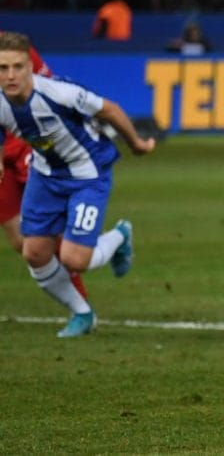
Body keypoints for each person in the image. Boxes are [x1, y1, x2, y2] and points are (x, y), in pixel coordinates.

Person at [0, 31, 156, 338]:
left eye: (17, 66)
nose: (11, 75)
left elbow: (109, 109)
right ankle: (82, 313)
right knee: (33, 252)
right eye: (3, 68)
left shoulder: (59, 93)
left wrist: (135, 143)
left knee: (74, 259)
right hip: (45, 176)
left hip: (88, 175)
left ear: (30, 67)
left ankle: (119, 236)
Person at [0, 35, 87, 298]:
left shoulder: (12, 51)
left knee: (43, 230)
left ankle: (80, 303)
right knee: (19, 239)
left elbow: (47, 89)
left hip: (28, 143)